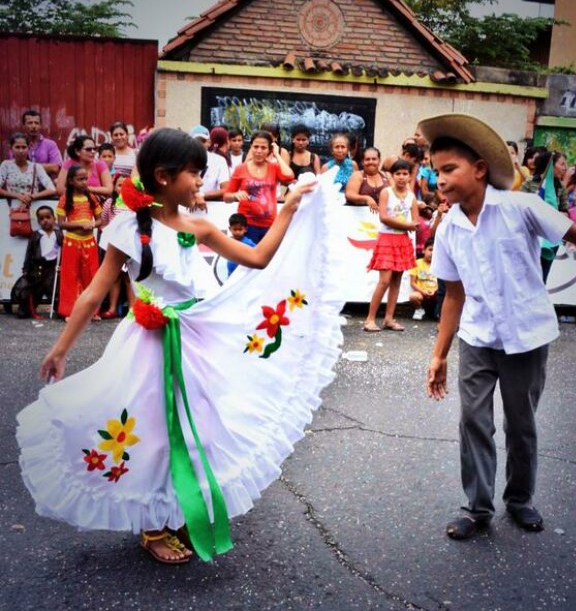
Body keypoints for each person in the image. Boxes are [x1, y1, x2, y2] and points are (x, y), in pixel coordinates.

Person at [16, 127, 342, 566]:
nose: (200, 183)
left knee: (199, 426)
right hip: (147, 344)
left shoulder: (201, 225)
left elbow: (259, 258)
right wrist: (60, 349)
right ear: (164, 176)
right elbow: (94, 293)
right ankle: (152, 525)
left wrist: (288, 210)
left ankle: (179, 507)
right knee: (149, 431)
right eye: (194, 173)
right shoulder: (129, 228)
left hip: (196, 339)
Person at [421, 113, 576, 541]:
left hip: (526, 335)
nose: (439, 179)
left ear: (478, 169)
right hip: (477, 337)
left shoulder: (521, 207)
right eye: (436, 171)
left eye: (449, 169)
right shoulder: (448, 229)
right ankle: (476, 507)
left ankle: (520, 499)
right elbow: (453, 296)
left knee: (520, 422)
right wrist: (438, 354)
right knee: (473, 420)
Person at [363, 159, 418, 332]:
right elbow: (383, 217)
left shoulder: (411, 196)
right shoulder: (386, 192)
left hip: (402, 240)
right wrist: (407, 225)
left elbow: (415, 221)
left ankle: (389, 318)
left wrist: (409, 225)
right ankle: (370, 319)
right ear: (392, 176)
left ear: (409, 176)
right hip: (387, 239)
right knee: (384, 281)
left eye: (405, 173)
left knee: (396, 281)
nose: (402, 177)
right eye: (398, 174)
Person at [224, 130, 295, 243]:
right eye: (256, 147)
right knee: (246, 258)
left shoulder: (274, 167)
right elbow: (226, 197)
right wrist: (235, 195)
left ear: (269, 150)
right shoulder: (241, 168)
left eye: (263, 148)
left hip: (269, 224)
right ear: (251, 147)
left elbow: (289, 177)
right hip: (246, 226)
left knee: (268, 260)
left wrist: (277, 154)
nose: (259, 151)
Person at [56, 164, 102, 319]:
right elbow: (61, 223)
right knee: (70, 277)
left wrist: (93, 224)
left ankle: (91, 312)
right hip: (72, 242)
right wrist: (80, 224)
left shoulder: (91, 197)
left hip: (89, 242)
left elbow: (100, 219)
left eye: (85, 179)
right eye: (80, 179)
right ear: (70, 181)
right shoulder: (65, 199)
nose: (84, 182)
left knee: (91, 276)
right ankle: (69, 312)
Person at [521, 150, 569, 283]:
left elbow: (565, 211)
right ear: (551, 165)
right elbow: (520, 207)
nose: (565, 168)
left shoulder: (560, 187)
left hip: (550, 237)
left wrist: (553, 216)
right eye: (562, 164)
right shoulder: (529, 183)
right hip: (530, 236)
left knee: (542, 277)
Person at [10, 205, 63, 319]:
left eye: (48, 217)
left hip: (53, 267)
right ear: (38, 221)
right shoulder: (36, 235)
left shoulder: (58, 234)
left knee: (54, 288)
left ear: (54, 218)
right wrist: (26, 269)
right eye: (42, 219)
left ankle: (59, 309)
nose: (45, 221)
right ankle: (27, 309)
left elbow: (63, 250)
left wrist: (61, 265)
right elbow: (29, 253)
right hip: (38, 267)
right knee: (35, 289)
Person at [99, 173, 134, 318]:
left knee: (130, 277)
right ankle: (112, 308)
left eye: (127, 185)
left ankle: (133, 309)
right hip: (114, 245)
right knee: (115, 277)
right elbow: (104, 222)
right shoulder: (109, 203)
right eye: (120, 185)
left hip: (131, 244)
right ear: (114, 187)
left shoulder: (134, 203)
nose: (123, 188)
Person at [0, 132, 57, 209]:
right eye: (17, 147)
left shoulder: (36, 167)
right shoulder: (6, 165)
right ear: (11, 148)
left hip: (32, 208)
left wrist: (32, 197)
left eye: (24, 147)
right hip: (10, 210)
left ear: (28, 148)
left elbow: (52, 190)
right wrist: (18, 196)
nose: (21, 151)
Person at [56, 135, 113, 201]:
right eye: (88, 149)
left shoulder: (100, 164)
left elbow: (109, 190)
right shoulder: (69, 164)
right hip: (73, 204)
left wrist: (85, 189)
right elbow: (60, 189)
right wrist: (81, 197)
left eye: (94, 149)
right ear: (77, 152)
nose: (93, 152)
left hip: (96, 206)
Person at [189, 125, 230, 213]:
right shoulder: (182, 160)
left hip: (211, 209)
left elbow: (226, 189)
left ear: (209, 142)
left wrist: (201, 195)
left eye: (203, 141)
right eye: (197, 141)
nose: (200, 144)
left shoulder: (219, 160)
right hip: (185, 208)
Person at [13, 109, 63, 179]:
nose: (34, 126)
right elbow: (12, 167)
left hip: (45, 187)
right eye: (30, 123)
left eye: (36, 123)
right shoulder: (18, 144)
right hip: (21, 185)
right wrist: (44, 167)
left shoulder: (50, 144)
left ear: (40, 125)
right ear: (24, 125)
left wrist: (26, 167)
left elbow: (55, 167)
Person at [345, 147, 390, 213]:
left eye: (374, 159)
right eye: (367, 159)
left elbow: (397, 193)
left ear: (379, 161)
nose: (371, 162)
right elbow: (349, 194)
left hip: (385, 217)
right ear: (363, 162)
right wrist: (366, 198)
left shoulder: (387, 175)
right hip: (361, 218)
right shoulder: (358, 175)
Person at [409, 237, 437, 321]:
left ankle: (438, 312)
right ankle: (419, 309)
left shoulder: (439, 265)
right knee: (413, 296)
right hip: (422, 293)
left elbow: (443, 284)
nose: (432, 253)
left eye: (435, 251)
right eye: (430, 249)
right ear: (423, 250)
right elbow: (412, 283)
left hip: (436, 294)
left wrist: (435, 291)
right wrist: (423, 292)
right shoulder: (417, 263)